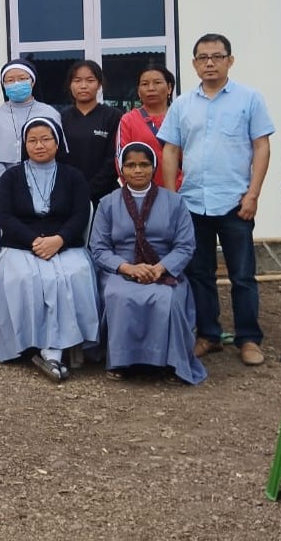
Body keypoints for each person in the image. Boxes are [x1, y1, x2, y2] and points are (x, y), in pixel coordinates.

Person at [159, 32, 275, 366]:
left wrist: (253, 194)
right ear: (194, 64)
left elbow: (261, 147)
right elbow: (170, 150)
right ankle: (208, 335)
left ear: (230, 60)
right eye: (203, 57)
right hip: (193, 203)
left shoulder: (249, 99)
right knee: (200, 273)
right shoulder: (182, 104)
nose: (210, 63)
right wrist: (172, 198)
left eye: (217, 56)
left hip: (236, 202)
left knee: (242, 276)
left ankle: (248, 339)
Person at [0, 117, 99, 383]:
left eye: (46, 139)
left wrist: (59, 239)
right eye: (32, 140)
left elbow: (80, 214)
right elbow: (4, 216)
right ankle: (24, 344)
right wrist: (34, 241)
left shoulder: (73, 176)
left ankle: (55, 350)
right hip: (21, 244)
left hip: (64, 244)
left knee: (72, 275)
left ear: (57, 143)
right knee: (20, 278)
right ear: (24, 145)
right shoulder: (11, 177)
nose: (39, 145)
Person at [89, 142, 206, 384]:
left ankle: (168, 362)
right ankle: (123, 361)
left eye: (144, 164)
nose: (137, 170)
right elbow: (99, 248)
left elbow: (185, 245)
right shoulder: (107, 203)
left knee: (167, 298)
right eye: (130, 165)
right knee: (119, 295)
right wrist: (128, 268)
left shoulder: (174, 202)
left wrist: (160, 268)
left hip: (163, 269)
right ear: (122, 169)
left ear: (154, 167)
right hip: (120, 270)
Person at [0, 60, 62, 243]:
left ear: (32, 81)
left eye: (22, 78)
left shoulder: (49, 112)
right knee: (3, 235)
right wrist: (8, 185)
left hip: (44, 183)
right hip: (2, 183)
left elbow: (56, 150)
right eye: (10, 80)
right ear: (3, 85)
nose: (16, 83)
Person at [60, 60, 122, 210]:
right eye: (77, 81)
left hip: (105, 196)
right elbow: (58, 157)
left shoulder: (113, 116)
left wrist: (89, 189)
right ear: (70, 85)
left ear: (99, 84)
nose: (83, 86)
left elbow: (113, 158)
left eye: (90, 80)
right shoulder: (61, 117)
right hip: (68, 195)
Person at [117, 64, 182, 189]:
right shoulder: (128, 120)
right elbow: (121, 160)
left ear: (169, 88)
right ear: (138, 91)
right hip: (143, 193)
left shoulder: (182, 117)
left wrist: (176, 188)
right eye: (145, 84)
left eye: (157, 82)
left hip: (184, 191)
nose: (151, 88)